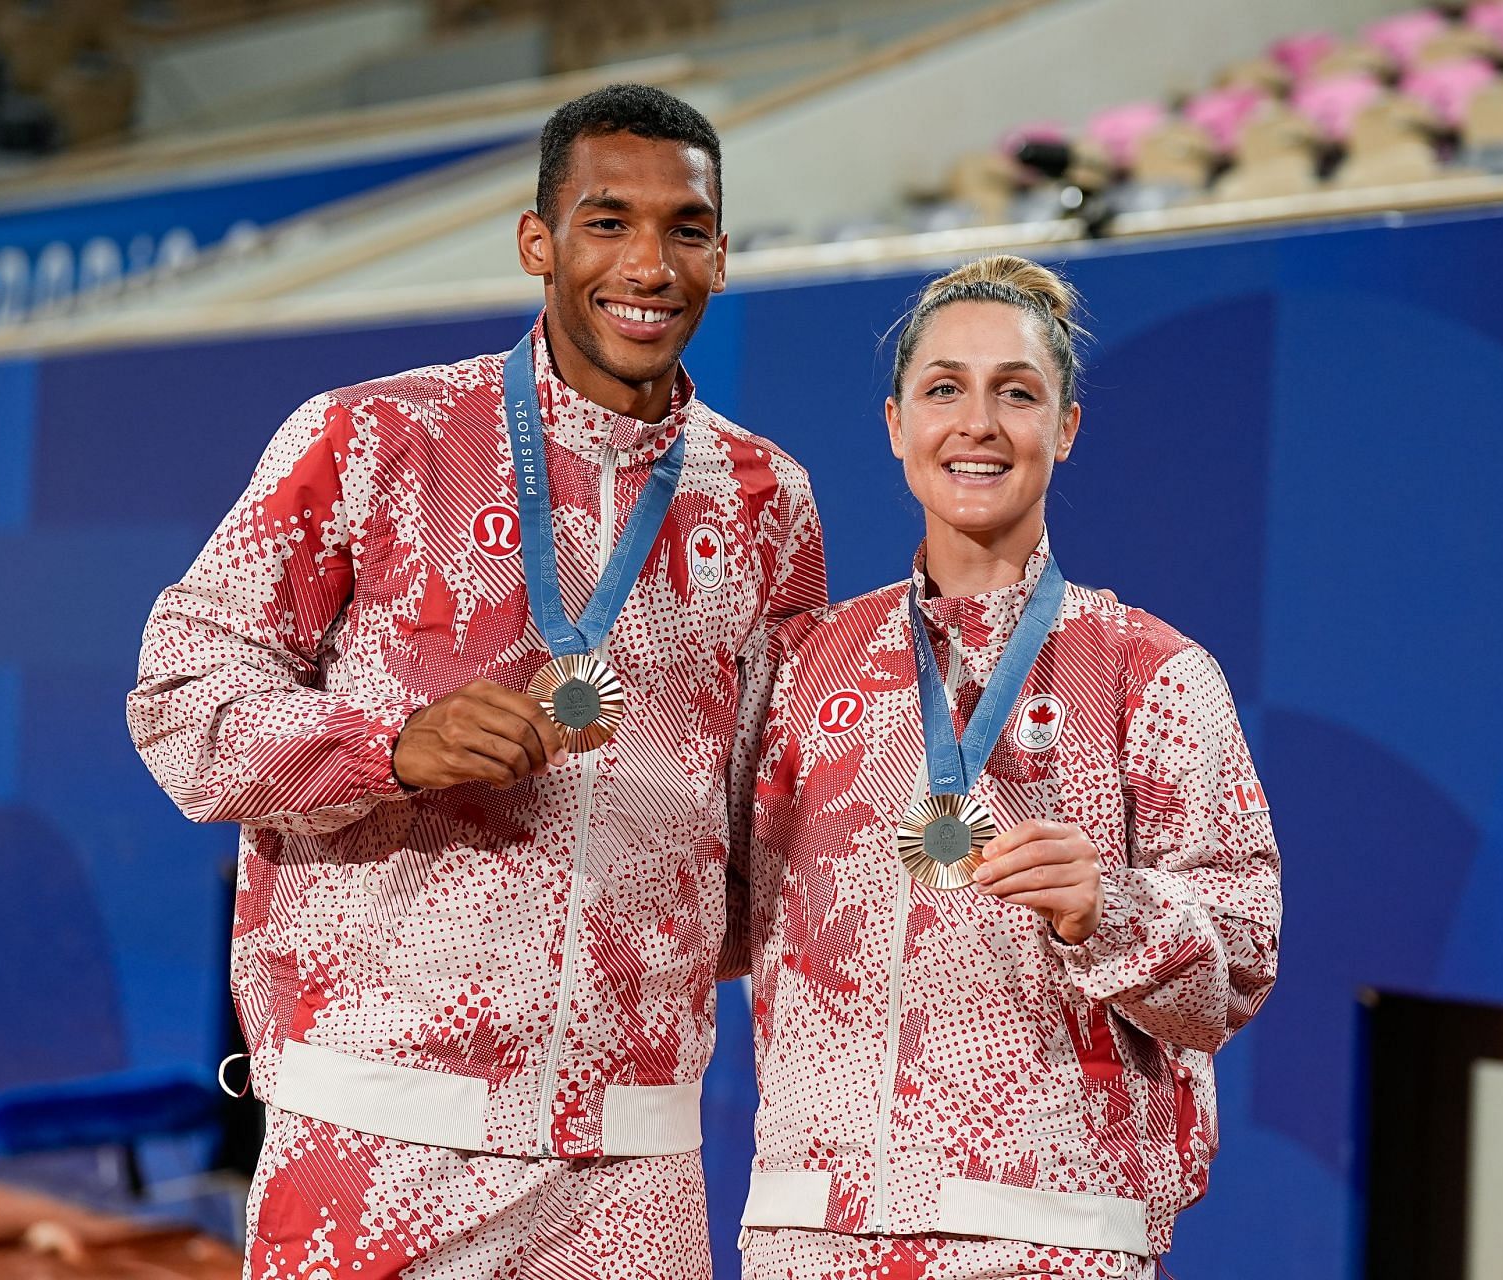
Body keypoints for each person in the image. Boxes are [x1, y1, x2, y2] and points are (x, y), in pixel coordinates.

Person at [128, 84, 826, 1280]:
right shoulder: (370, 439)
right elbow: (181, 701)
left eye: (687, 228)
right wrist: (390, 746)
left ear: (723, 251)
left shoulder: (767, 503)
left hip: (631, 1159)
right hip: (376, 1126)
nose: (649, 264)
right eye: (608, 222)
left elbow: (773, 828)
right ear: (537, 243)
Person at [733, 255, 1280, 1278]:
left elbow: (1240, 963)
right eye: (944, 388)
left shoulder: (1149, 670)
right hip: (813, 1228)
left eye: (1016, 392)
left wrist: (1108, 909)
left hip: (1050, 1234)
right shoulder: (801, 664)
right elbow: (714, 907)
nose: (977, 422)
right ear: (896, 423)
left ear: (1064, 429)